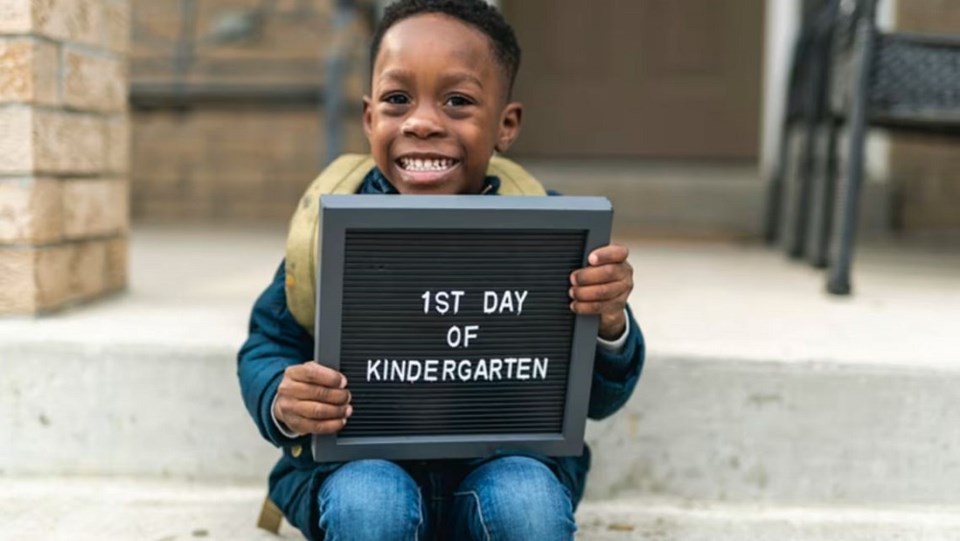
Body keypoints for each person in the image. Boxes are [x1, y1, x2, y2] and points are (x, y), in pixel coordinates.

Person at [237, 0, 645, 539]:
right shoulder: (329, 227)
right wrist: (282, 398)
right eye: (397, 99)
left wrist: (610, 323)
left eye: (457, 101)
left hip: (502, 463)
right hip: (359, 466)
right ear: (369, 117)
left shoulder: (551, 236)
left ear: (506, 124)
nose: (423, 122)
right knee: (369, 506)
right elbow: (268, 344)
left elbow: (598, 398)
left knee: (528, 505)